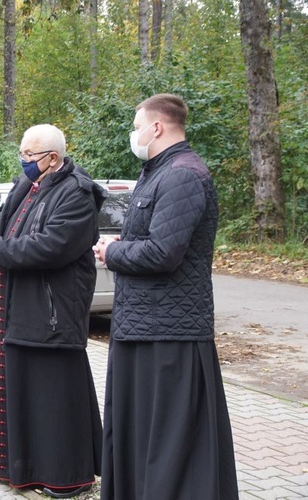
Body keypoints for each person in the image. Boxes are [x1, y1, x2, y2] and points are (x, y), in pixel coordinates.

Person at [93, 94, 239, 499]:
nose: (134, 134)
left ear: (157, 127)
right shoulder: (158, 171)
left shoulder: (183, 175)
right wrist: (126, 243)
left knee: (172, 449)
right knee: (139, 439)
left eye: (137, 125)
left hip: (168, 335)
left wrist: (112, 251)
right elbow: (156, 238)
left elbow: (164, 253)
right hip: (144, 327)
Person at [0, 124, 105, 498]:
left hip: (52, 314)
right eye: (22, 153)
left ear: (53, 159)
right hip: (17, 309)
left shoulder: (77, 195)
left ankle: (65, 477)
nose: (23, 161)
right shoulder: (28, 185)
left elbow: (49, 247)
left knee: (53, 400)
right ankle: (17, 469)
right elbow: (10, 227)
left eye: (29, 155)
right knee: (19, 391)